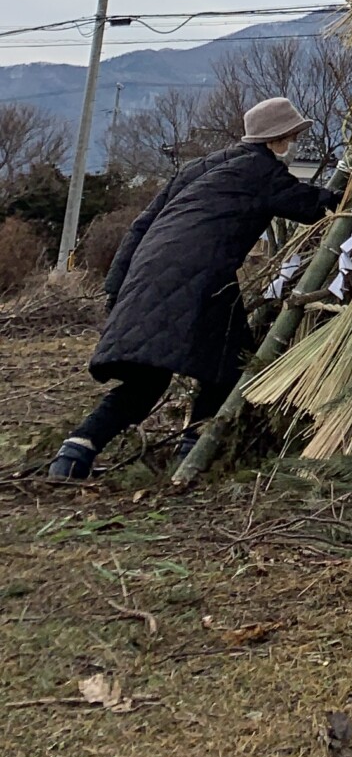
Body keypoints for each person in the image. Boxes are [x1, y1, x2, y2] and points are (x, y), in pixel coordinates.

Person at [47, 97, 332, 482]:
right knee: (230, 366)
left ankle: (74, 453)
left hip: (146, 274)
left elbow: (140, 225)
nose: (295, 143)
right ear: (277, 139)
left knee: (146, 378)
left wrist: (116, 289)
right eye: (293, 136)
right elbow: (316, 206)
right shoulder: (261, 172)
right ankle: (192, 455)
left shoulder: (199, 167)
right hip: (205, 279)